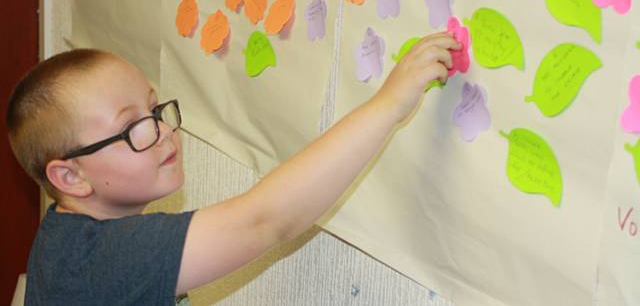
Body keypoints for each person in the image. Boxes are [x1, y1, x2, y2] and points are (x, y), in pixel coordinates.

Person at [5, 32, 459, 305]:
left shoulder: (67, 239)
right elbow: (266, 220)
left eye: (154, 107)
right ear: (70, 177)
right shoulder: (102, 260)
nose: (162, 130)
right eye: (132, 128)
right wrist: (389, 104)